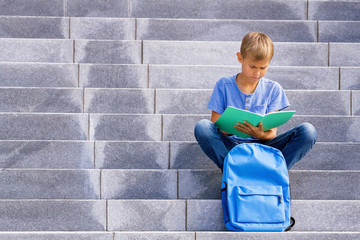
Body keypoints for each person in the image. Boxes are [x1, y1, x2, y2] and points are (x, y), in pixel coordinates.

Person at [194, 32, 317, 171]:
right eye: (252, 66)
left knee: (308, 131)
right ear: (240, 58)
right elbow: (215, 125)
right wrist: (235, 127)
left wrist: (258, 134)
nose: (257, 73)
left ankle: (274, 172)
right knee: (203, 127)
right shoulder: (223, 85)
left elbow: (271, 133)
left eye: (263, 68)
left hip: (265, 147)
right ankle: (233, 170)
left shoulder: (273, 89)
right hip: (231, 148)